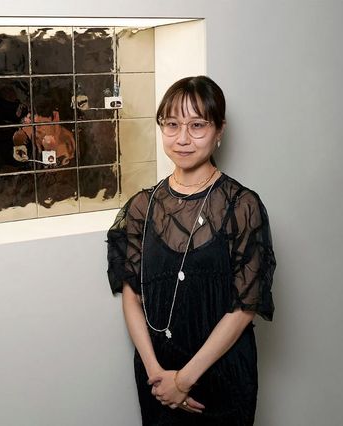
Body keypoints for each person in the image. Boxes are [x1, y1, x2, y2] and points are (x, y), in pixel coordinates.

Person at [107, 76, 276, 425]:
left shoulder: (242, 205)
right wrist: (157, 375)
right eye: (172, 124)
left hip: (222, 374)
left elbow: (245, 307)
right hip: (157, 377)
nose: (182, 138)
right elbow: (132, 297)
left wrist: (183, 381)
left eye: (197, 125)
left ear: (219, 130)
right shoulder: (141, 206)